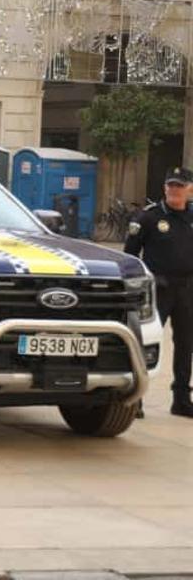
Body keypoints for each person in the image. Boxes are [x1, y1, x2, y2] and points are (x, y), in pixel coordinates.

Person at [125, 166, 193, 417]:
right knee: (146, 342)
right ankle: (135, 399)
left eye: (180, 186)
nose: (175, 190)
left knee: (186, 344)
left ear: (190, 189)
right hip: (158, 289)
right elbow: (129, 256)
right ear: (164, 188)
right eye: (171, 185)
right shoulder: (148, 217)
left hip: (187, 290)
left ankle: (181, 399)